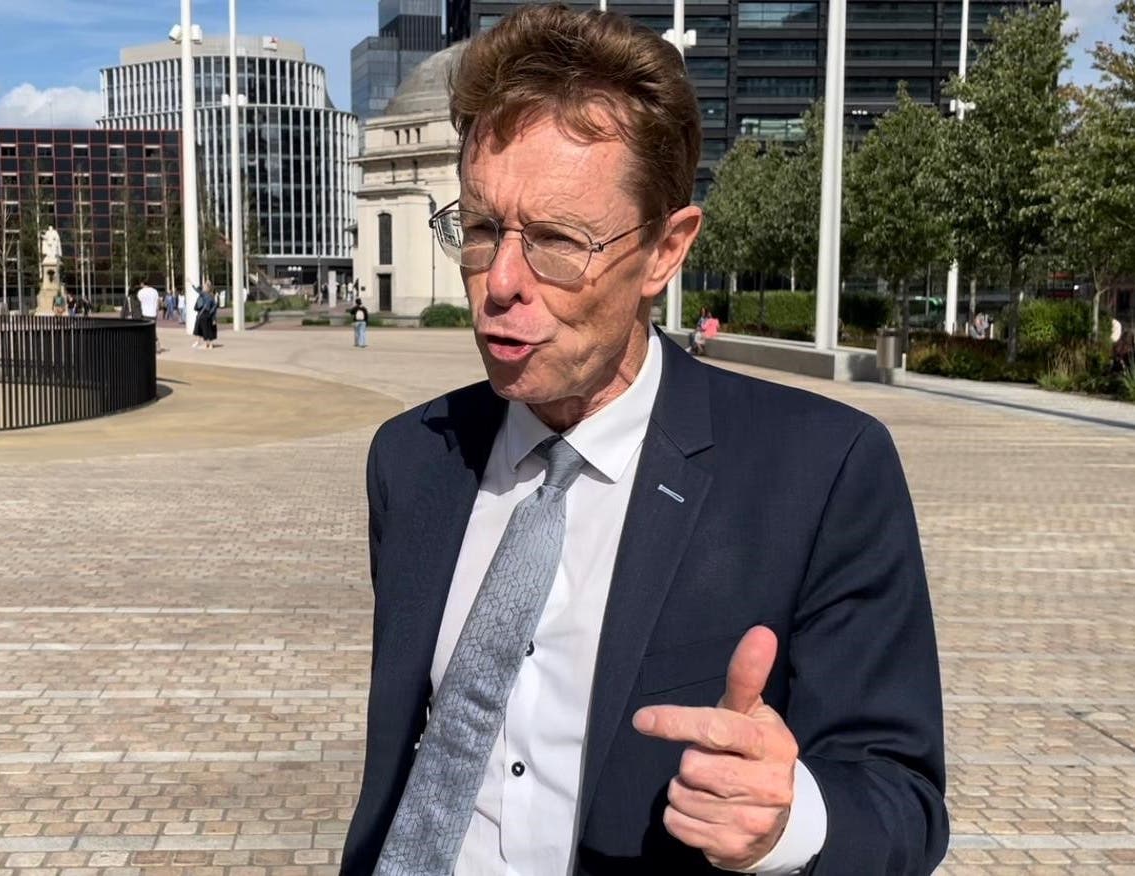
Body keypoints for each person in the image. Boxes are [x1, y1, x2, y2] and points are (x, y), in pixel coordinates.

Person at [343, 7, 947, 876]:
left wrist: (787, 821)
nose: (501, 284)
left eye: (556, 240)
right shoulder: (412, 458)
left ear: (666, 251)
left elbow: (902, 802)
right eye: (480, 230)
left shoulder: (822, 473)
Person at [137, 280, 163, 352]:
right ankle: (157, 346)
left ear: (142, 284)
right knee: (153, 330)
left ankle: (146, 347)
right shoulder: (154, 291)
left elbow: (139, 301)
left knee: (145, 331)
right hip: (153, 313)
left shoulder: (140, 292)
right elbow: (158, 302)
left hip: (145, 313)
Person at [193, 280, 219, 349]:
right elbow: (214, 307)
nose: (203, 288)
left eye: (204, 287)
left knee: (205, 330)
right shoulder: (212, 296)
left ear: (207, 288)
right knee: (208, 329)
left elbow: (197, 290)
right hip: (208, 314)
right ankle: (209, 344)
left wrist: (191, 283)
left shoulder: (204, 294)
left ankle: (208, 344)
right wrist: (212, 315)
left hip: (204, 314)